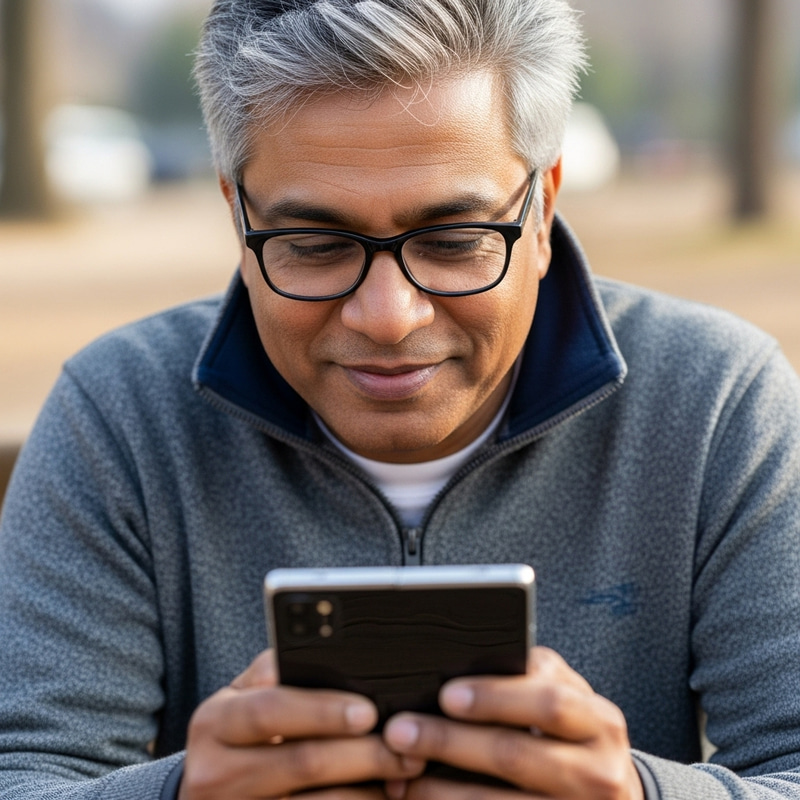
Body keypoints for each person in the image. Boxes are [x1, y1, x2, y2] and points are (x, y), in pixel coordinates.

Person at [1, 0, 800, 798]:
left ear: (545, 204)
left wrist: (639, 796)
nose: (387, 317)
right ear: (236, 213)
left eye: (453, 242)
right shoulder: (119, 415)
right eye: (313, 245)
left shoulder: (719, 404)